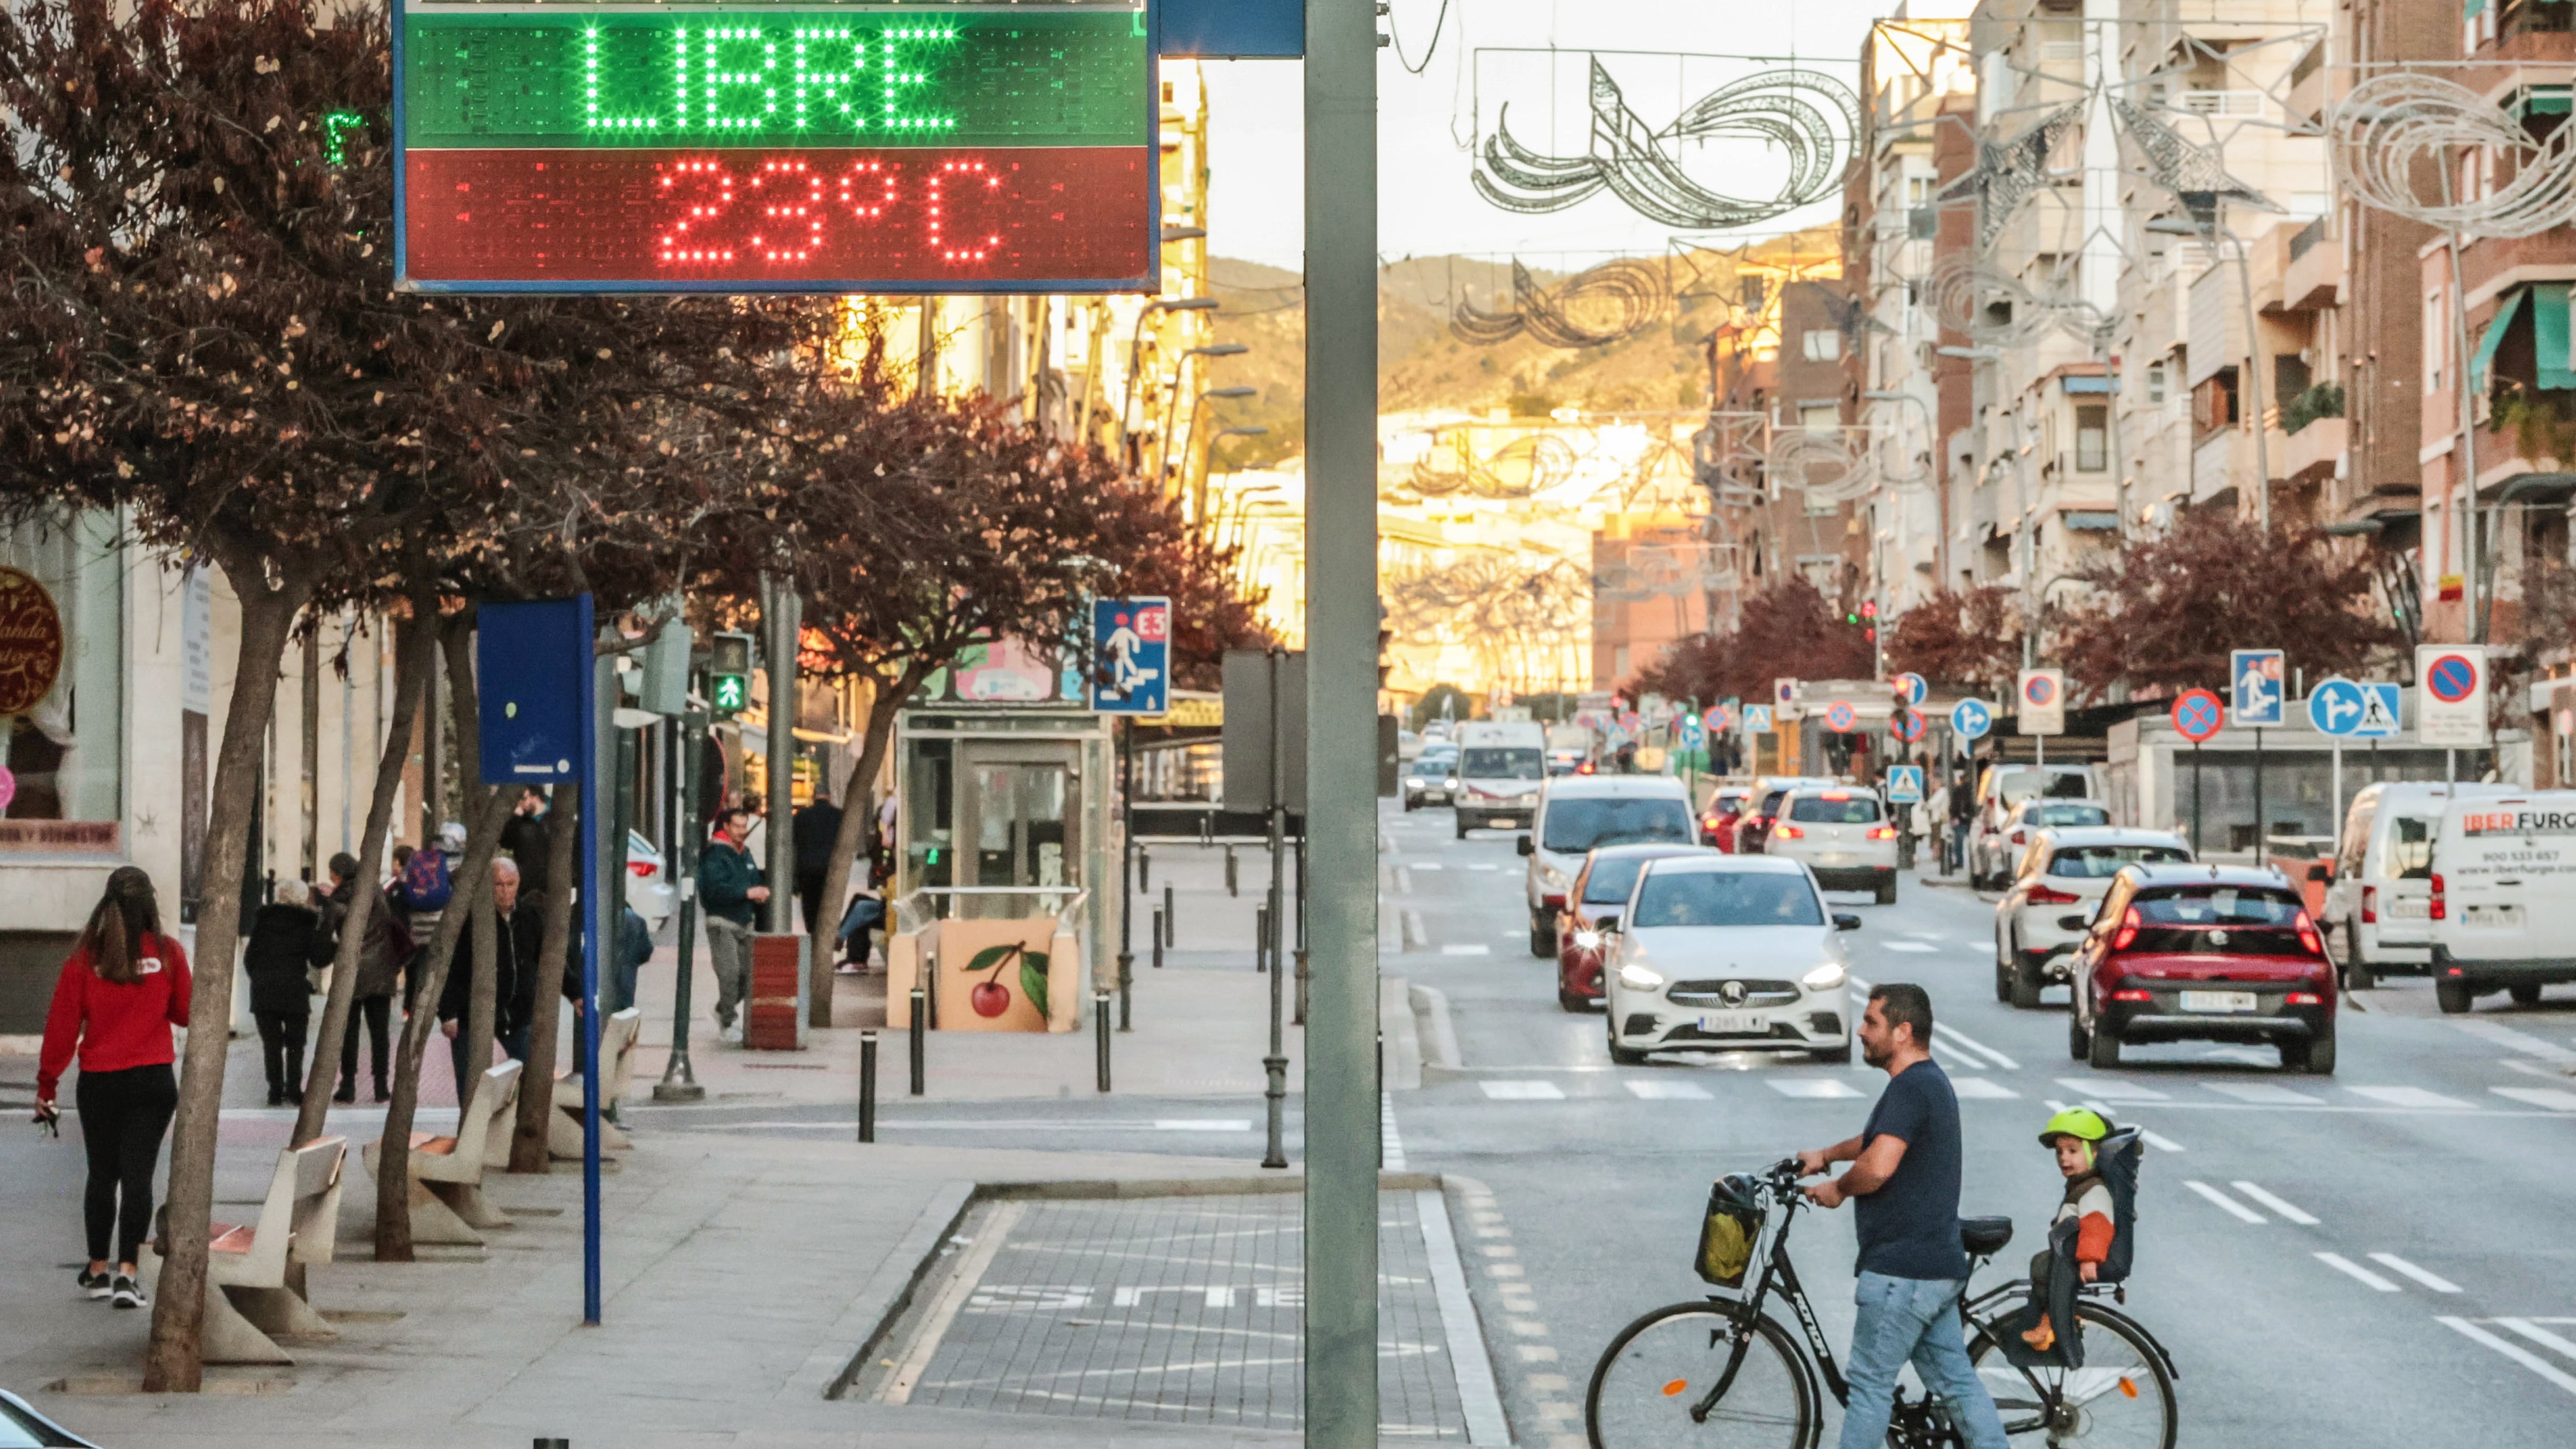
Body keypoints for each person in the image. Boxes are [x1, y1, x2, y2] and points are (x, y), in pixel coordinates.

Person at [1795, 984, 2007, 1449]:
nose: (1861, 1031)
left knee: (1869, 1385)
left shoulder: (1912, 1087)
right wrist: (1827, 1154)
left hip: (1902, 1273)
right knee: (1956, 1383)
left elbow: (1875, 1166)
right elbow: (1877, 1138)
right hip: (1930, 1267)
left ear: (1903, 1031)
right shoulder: (1922, 1083)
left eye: (1871, 1022)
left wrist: (1836, 1188)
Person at [35, 868, 189, 1310]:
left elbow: (62, 1027)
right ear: (150, 906)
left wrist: (47, 1085)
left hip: (100, 1082)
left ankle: (98, 1270)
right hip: (153, 1079)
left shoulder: (86, 958)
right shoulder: (169, 953)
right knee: (139, 1177)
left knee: (102, 1175)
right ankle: (129, 1275)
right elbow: (184, 1012)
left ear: (107, 905)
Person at [437, 857, 559, 1094]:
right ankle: (474, 1128)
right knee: (470, 1082)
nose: (505, 891)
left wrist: (575, 992)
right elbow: (449, 969)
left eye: (510, 884)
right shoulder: (471, 920)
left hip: (517, 1014)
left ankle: (522, 1128)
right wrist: (448, 1013)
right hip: (471, 1014)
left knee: (529, 1081)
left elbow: (549, 960)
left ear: (519, 884)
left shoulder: (529, 917)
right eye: (498, 884)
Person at [2019, 1108, 2118, 1354]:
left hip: (2076, 1258)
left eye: (2074, 1151)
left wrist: (2089, 1260)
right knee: (2042, 1267)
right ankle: (2048, 1319)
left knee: (2043, 1269)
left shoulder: (2093, 1190)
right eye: (2060, 1152)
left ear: (2095, 1153)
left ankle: (2049, 1322)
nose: (2064, 1158)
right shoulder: (2081, 1185)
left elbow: (2097, 1225)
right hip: (2069, 1253)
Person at [334, 857, 414, 1104]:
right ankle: (381, 1085)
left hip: (353, 971)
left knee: (349, 1032)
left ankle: (348, 1085)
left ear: (339, 874)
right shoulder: (377, 890)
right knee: (380, 1033)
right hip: (381, 969)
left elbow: (337, 927)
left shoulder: (341, 897)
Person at [244, 877, 329, 1106]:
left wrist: (260, 978)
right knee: (295, 1044)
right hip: (294, 990)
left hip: (264, 990)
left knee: (271, 1044)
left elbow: (250, 958)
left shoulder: (263, 921)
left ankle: (274, 1091)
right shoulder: (307, 922)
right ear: (302, 898)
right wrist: (335, 946)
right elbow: (318, 959)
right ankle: (293, 1090)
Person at [698, 805, 770, 1044]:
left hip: (744, 921)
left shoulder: (744, 852)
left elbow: (751, 879)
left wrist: (757, 892)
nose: (742, 831)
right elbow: (714, 889)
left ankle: (722, 1010)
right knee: (730, 973)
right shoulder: (716, 854)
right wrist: (747, 892)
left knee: (747, 976)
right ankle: (728, 1021)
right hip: (722, 921)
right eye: (737, 826)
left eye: (744, 826)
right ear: (726, 827)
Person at [792, 786, 845, 938]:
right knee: (829, 903)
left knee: (810, 905)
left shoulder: (802, 816)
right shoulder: (839, 816)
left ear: (813, 797)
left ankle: (812, 932)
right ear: (829, 797)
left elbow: (794, 841)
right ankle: (827, 935)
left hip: (807, 868)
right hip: (831, 868)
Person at [498, 788, 553, 897]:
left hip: (551, 882)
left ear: (536, 798)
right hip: (526, 884)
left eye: (523, 799)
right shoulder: (521, 821)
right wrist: (516, 818)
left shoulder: (554, 817)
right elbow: (505, 843)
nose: (520, 803)